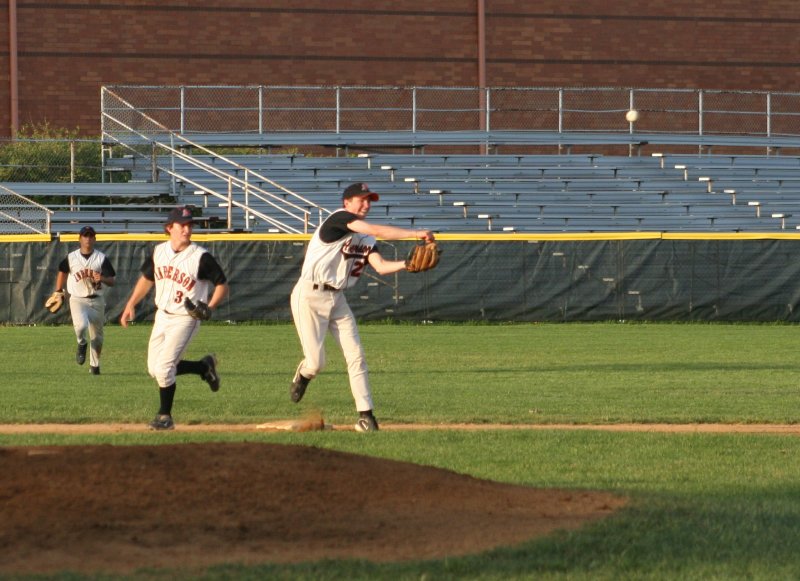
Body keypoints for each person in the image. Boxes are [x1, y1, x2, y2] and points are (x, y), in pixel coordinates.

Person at [290, 182, 436, 432]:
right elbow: (374, 229)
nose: (366, 204)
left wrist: (406, 264)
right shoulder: (339, 219)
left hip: (338, 300)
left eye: (369, 201)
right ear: (347, 202)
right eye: (361, 199)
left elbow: (380, 266)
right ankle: (304, 375)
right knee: (316, 363)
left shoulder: (366, 239)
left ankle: (366, 416)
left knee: (356, 356)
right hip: (309, 295)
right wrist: (415, 233)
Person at [120, 206, 229, 430]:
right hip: (162, 316)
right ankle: (203, 367)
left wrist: (210, 306)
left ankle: (164, 417)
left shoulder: (200, 257)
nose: (187, 230)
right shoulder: (159, 252)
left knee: (164, 368)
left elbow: (222, 284)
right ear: (169, 228)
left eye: (190, 225)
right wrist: (131, 303)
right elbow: (147, 278)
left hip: (185, 318)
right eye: (182, 225)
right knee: (154, 369)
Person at [52, 225, 116, 375]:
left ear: (95, 239)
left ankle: (95, 366)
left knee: (98, 338)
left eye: (90, 236)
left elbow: (112, 280)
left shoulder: (100, 258)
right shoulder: (72, 257)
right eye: (85, 236)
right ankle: (81, 343)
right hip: (77, 299)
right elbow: (62, 271)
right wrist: (58, 290)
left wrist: (103, 278)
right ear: (79, 239)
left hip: (97, 300)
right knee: (80, 326)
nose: (87, 238)